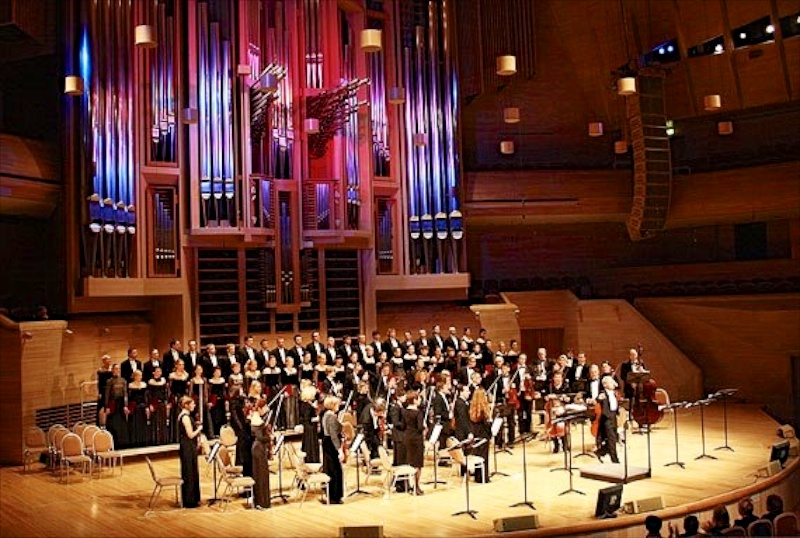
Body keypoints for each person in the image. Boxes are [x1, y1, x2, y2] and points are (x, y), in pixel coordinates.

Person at [177, 396, 202, 508]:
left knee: (191, 471)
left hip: (189, 446)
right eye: (192, 404)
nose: (194, 405)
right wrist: (199, 429)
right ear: (186, 405)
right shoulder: (185, 417)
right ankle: (189, 500)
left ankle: (193, 499)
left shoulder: (186, 416)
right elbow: (190, 434)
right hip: (187, 447)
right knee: (189, 472)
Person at [321, 395, 345, 504]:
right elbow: (334, 435)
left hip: (327, 442)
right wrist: (339, 450)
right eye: (337, 404)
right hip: (331, 444)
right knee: (335, 470)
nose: (339, 406)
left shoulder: (326, 414)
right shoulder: (331, 417)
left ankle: (330, 494)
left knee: (330, 468)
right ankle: (335, 496)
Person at [402, 390, 426, 495]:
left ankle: (410, 485)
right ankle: (416, 486)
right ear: (415, 400)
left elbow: (403, 426)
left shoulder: (404, 412)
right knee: (418, 464)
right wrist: (424, 426)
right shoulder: (418, 413)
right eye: (418, 398)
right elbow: (420, 428)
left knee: (410, 463)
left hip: (407, 438)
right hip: (417, 440)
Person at [250, 401, 271, 510]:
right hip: (259, 448)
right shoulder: (257, 420)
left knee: (261, 474)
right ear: (259, 409)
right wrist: (270, 437)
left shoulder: (257, 418)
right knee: (261, 475)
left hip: (258, 447)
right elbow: (260, 437)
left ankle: (261, 501)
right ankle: (261, 502)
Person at [594, 376, 621, 463]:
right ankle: (615, 459)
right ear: (605, 385)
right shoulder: (603, 393)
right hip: (607, 418)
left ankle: (601, 452)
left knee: (614, 438)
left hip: (614, 417)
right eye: (610, 382)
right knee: (611, 439)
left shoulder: (614, 393)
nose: (613, 384)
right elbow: (598, 399)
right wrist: (598, 398)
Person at [468, 387, 492, 482]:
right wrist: (490, 422)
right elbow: (487, 426)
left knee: (478, 455)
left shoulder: (472, 409)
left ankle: (478, 477)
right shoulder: (483, 411)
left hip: (476, 435)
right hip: (484, 435)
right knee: (484, 456)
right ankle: (483, 477)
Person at [105, 364, 129, 448]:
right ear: (112, 370)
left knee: (122, 425)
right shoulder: (109, 381)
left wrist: (126, 405)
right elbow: (107, 395)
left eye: (118, 369)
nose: (117, 370)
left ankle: (123, 443)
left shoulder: (123, 380)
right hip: (112, 404)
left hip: (121, 405)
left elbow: (125, 394)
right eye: (116, 369)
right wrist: (107, 407)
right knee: (113, 424)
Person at [146, 366, 169, 445]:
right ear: (154, 372)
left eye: (160, 371)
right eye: (157, 371)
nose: (159, 373)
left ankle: (163, 440)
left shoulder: (163, 381)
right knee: (154, 422)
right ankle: (154, 440)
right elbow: (149, 395)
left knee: (162, 421)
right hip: (154, 404)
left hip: (162, 403)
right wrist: (150, 404)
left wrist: (166, 401)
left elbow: (165, 393)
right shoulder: (150, 382)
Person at [299, 382, 320, 463]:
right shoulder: (307, 406)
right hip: (310, 427)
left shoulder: (305, 404)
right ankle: (312, 460)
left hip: (308, 427)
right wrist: (316, 418)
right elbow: (307, 418)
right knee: (311, 445)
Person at [127, 370, 148, 447]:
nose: (140, 377)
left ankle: (143, 440)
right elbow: (129, 398)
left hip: (142, 406)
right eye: (139, 375)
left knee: (142, 424)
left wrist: (146, 406)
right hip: (134, 407)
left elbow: (145, 397)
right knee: (134, 424)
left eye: (141, 375)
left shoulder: (144, 385)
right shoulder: (130, 385)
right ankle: (135, 441)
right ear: (135, 376)